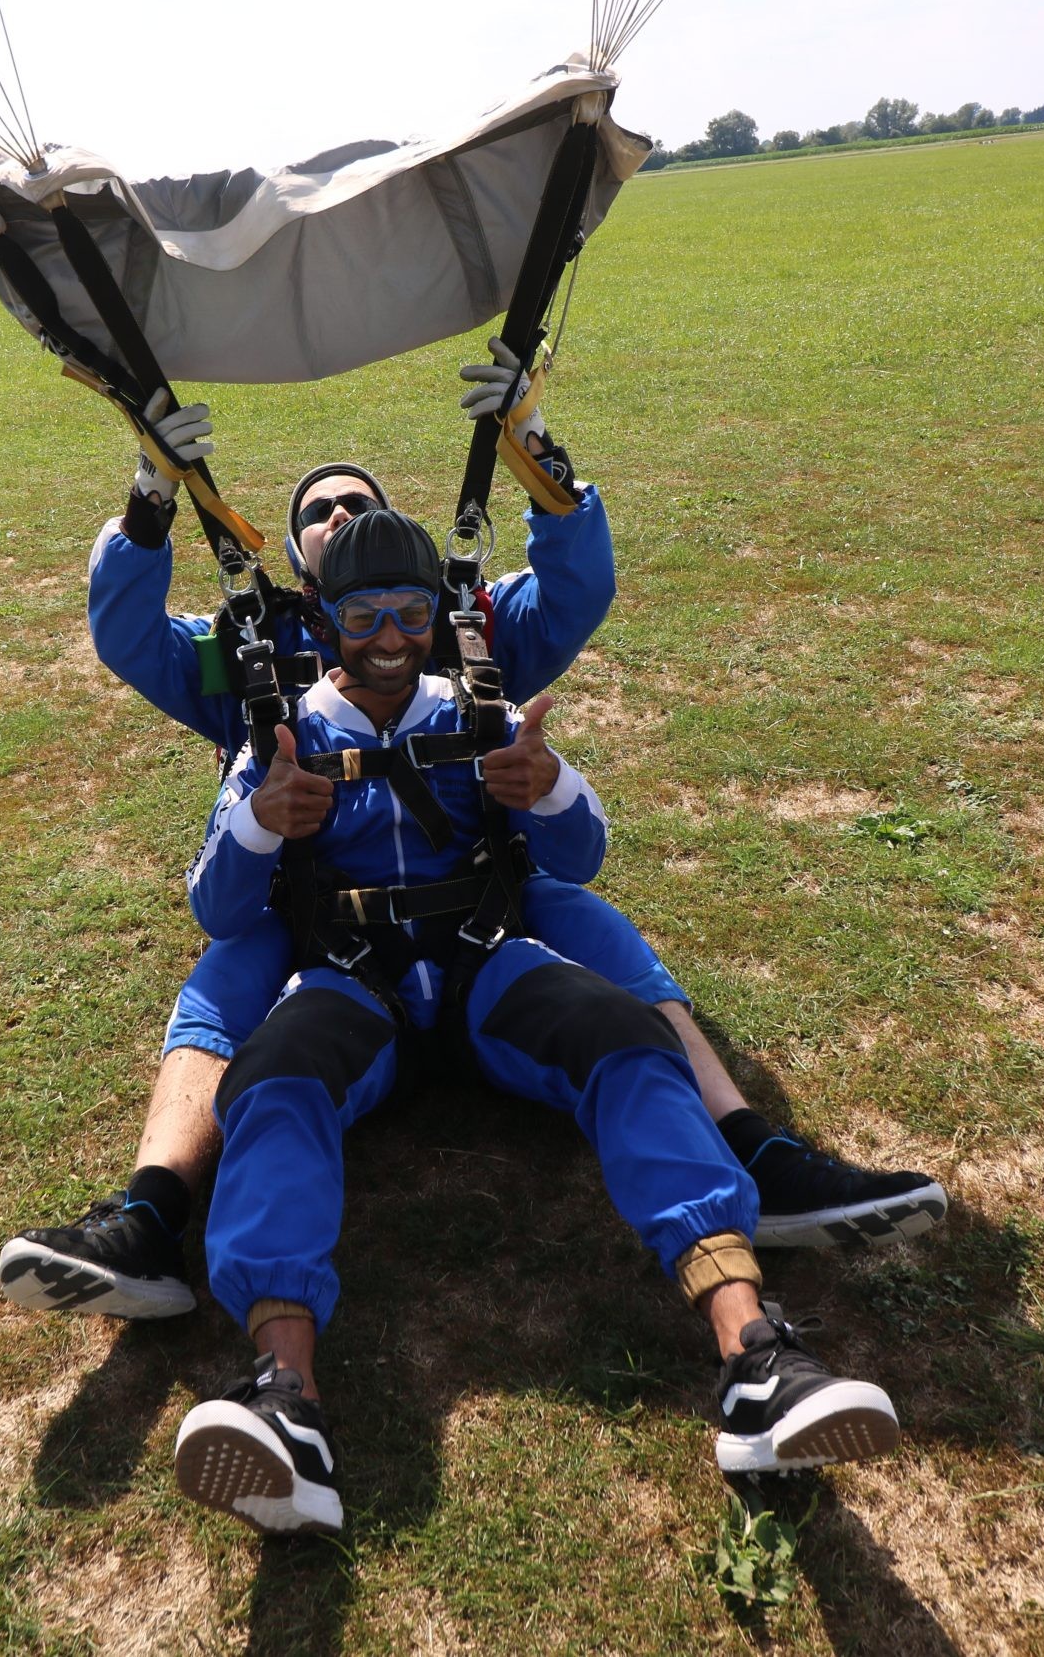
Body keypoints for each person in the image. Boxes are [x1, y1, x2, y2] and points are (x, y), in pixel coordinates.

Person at [0, 345, 945, 1323]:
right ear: (293, 562)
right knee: (228, 966)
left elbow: (574, 591)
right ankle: (150, 1216)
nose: (337, 515)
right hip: (312, 906)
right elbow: (127, 636)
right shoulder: (250, 648)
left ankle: (758, 1153)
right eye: (315, 510)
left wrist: (535, 451)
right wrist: (153, 493)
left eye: (355, 500)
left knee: (590, 924)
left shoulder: (467, 623)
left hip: (480, 899)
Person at [167, 506, 901, 1534]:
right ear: (324, 618)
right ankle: (287, 1401)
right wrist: (259, 819)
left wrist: (547, 788)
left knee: (629, 1038)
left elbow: (584, 851)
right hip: (350, 978)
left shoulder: (478, 708)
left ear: (437, 614)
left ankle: (757, 1357)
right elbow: (214, 907)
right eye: (363, 613)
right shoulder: (282, 735)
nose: (387, 636)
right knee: (273, 1081)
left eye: (409, 612)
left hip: (480, 965)